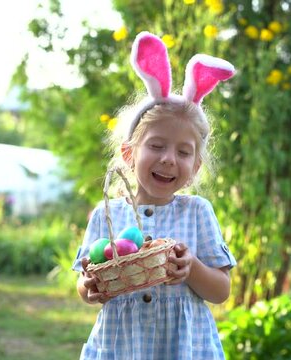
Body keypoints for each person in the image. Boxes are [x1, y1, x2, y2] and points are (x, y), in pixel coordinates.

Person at [72, 31, 237, 360]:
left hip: (183, 348)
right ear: (129, 154)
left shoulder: (197, 212)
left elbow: (221, 290)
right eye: (157, 146)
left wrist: (191, 268)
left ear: (196, 165)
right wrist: (91, 287)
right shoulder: (109, 214)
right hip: (121, 345)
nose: (168, 159)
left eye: (183, 151)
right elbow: (84, 281)